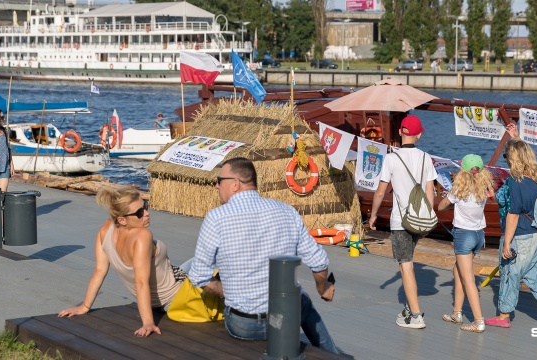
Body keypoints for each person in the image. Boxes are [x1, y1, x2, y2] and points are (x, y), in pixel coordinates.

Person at [187, 157, 338, 353]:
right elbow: (319, 262)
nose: (216, 186)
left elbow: (199, 277)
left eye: (219, 180)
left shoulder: (216, 218)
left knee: (299, 300)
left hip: (244, 325)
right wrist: (323, 287)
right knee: (303, 301)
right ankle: (332, 355)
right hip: (288, 316)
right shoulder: (286, 211)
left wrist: (234, 292)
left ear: (235, 184)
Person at [58, 186, 190, 337]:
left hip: (174, 277)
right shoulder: (142, 236)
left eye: (145, 206)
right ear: (122, 219)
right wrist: (148, 323)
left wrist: (84, 306)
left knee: (203, 259)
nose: (147, 214)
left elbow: (99, 271)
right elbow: (140, 282)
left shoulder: (106, 228)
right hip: (176, 296)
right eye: (140, 213)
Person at [485, 123, 537, 329]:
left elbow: (513, 214)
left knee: (510, 274)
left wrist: (507, 243)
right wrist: (516, 137)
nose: (506, 161)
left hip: (522, 235)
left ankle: (503, 316)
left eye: (507, 157)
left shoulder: (517, 181)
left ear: (513, 158)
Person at [368, 115, 437, 329]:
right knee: (409, 262)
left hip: (401, 221)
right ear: (418, 135)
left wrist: (373, 215)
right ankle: (409, 308)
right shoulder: (426, 158)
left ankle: (416, 316)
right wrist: (427, 218)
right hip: (420, 219)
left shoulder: (391, 159)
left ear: (400, 133)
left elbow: (380, 192)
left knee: (406, 266)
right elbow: (430, 192)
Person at [437, 154, 495, 333]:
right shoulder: (483, 188)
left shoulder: (459, 190)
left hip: (464, 235)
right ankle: (457, 313)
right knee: (458, 270)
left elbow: (441, 206)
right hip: (479, 236)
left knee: (468, 278)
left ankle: (478, 321)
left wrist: (448, 196)